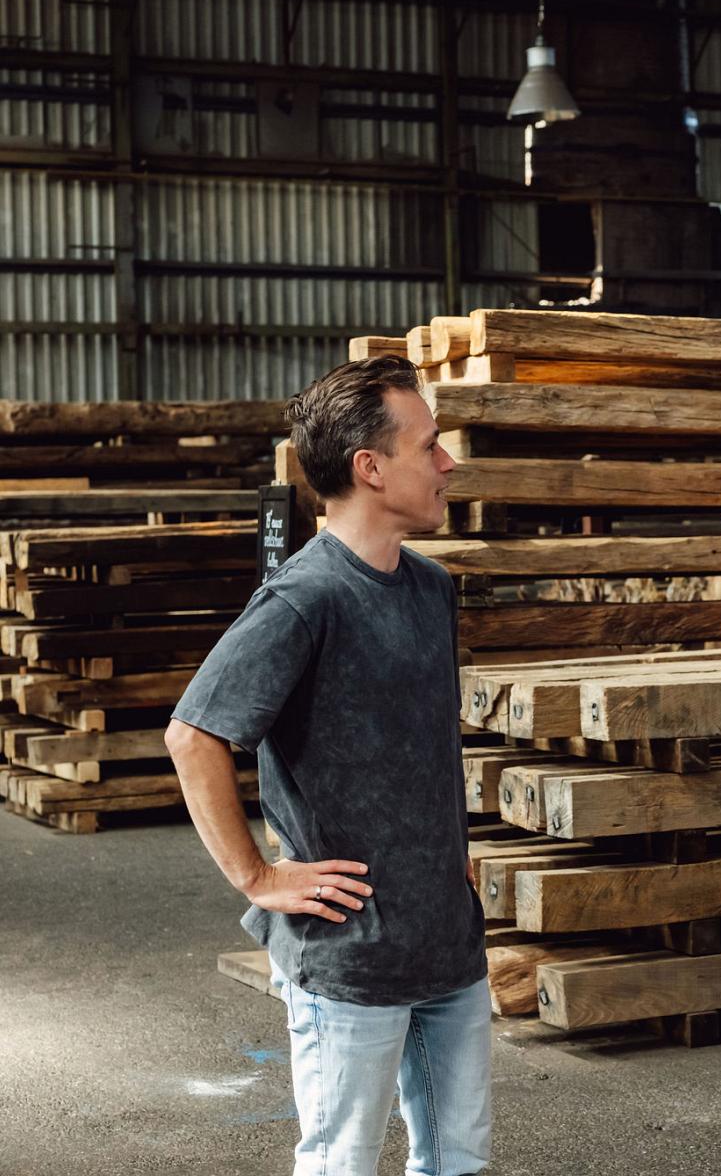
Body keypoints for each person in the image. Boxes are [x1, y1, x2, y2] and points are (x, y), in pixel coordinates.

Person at [165, 356, 490, 1176]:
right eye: (431, 446)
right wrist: (257, 877)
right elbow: (194, 734)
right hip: (349, 955)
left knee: (457, 1160)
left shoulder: (428, 587)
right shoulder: (304, 598)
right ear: (370, 468)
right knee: (342, 1161)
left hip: (446, 942)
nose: (448, 463)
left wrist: (446, 856)